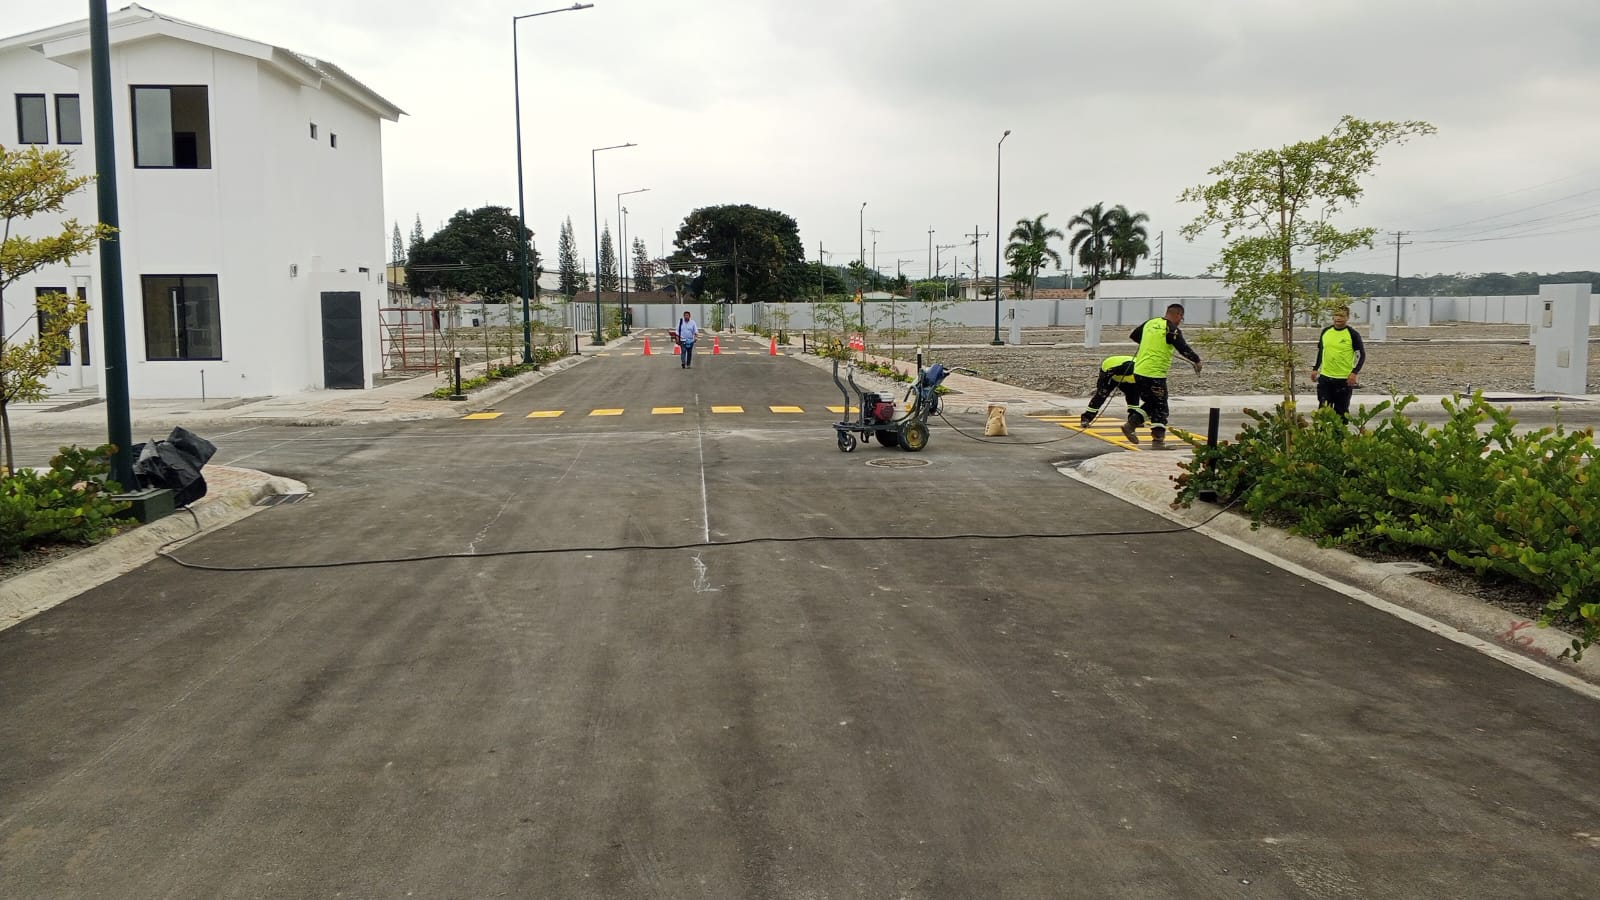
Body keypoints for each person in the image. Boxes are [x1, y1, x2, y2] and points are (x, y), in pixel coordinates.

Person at [1123, 303, 1202, 449]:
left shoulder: (1150, 323)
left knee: (1155, 403)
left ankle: (1151, 436)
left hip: (1139, 370)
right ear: (1178, 315)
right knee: (1158, 405)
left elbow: (1134, 335)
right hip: (1154, 373)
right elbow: (1183, 348)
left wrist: (1151, 343)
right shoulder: (1171, 329)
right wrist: (1197, 361)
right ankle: (1137, 428)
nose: (1180, 321)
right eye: (1181, 318)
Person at [1311, 305, 1366, 419]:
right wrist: (1315, 369)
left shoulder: (1352, 334)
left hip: (1344, 380)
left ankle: (1340, 436)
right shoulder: (1326, 332)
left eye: (1342, 315)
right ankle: (1323, 435)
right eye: (1336, 315)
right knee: (1323, 410)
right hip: (1326, 378)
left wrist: (1354, 372)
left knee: (1341, 412)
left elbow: (1361, 355)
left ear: (1347, 317)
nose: (1338, 318)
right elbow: (1321, 351)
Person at [1079, 354, 1138, 427]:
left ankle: (1134, 419)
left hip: (1127, 377)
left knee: (1133, 394)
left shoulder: (1149, 373)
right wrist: (1103, 386)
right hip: (1110, 370)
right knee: (1102, 394)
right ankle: (1086, 418)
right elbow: (1111, 371)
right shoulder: (1131, 367)